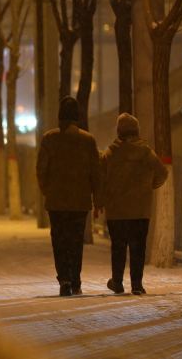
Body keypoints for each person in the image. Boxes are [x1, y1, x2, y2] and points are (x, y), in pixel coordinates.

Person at [36, 96, 101, 297]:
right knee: (75, 241)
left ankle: (64, 278)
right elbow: (95, 172)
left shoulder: (49, 138)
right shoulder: (88, 140)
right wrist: (97, 198)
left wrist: (47, 190)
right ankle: (76, 279)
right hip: (80, 201)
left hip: (56, 201)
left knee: (59, 240)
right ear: (77, 116)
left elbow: (41, 170)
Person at [100, 113, 168, 295]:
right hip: (140, 210)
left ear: (119, 131)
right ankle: (137, 285)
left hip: (117, 210)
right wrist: (149, 186)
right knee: (138, 248)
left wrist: (103, 197)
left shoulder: (110, 153)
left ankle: (117, 282)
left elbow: (101, 178)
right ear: (136, 130)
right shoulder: (146, 152)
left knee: (118, 247)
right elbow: (162, 173)